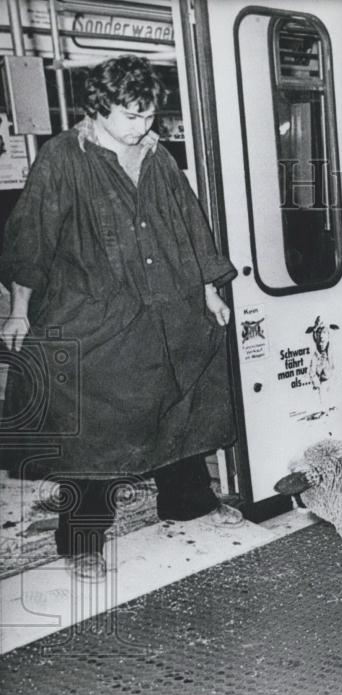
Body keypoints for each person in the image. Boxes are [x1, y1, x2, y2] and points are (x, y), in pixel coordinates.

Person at [0, 56, 241, 582]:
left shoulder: (158, 157)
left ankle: (187, 502)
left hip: (166, 306)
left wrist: (207, 291)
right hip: (97, 313)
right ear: (99, 108)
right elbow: (31, 239)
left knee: (180, 401)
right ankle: (82, 539)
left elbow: (189, 227)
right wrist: (19, 310)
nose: (142, 127)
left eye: (148, 115)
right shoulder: (63, 158)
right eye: (130, 117)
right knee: (93, 427)